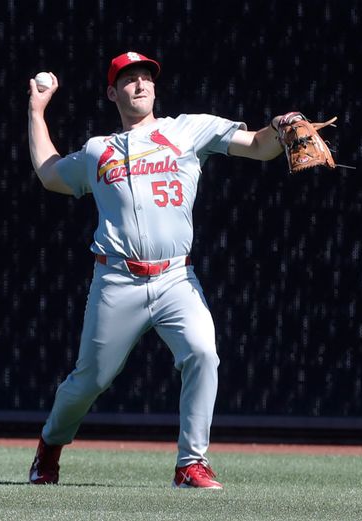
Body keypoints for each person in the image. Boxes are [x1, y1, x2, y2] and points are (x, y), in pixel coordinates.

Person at [26, 51, 289, 488]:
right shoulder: (98, 150)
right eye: (129, 80)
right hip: (116, 280)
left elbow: (258, 147)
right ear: (113, 92)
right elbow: (49, 173)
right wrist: (37, 110)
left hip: (175, 280)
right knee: (90, 380)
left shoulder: (186, 129)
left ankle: (191, 464)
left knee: (203, 352)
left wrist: (280, 130)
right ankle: (50, 445)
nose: (141, 84)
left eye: (146, 76)